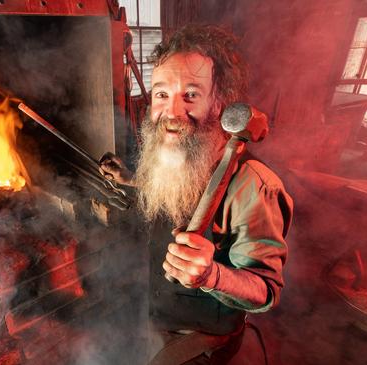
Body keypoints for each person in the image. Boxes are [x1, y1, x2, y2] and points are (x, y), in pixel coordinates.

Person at [100, 24, 293, 364]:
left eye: (190, 94)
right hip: (159, 318)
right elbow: (184, 190)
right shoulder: (181, 158)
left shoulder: (254, 186)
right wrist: (131, 180)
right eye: (162, 94)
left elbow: (265, 290)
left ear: (221, 104)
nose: (172, 113)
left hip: (203, 342)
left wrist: (211, 275)